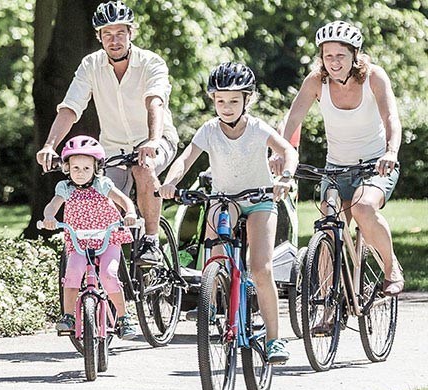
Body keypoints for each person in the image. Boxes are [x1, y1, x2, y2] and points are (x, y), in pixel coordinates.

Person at [158, 62, 298, 364]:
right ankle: (213, 296)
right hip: (225, 200)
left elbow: (289, 151)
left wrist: (285, 177)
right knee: (215, 257)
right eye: (220, 100)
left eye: (234, 100)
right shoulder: (209, 130)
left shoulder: (257, 128)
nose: (227, 107)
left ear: (248, 99)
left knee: (260, 268)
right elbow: (185, 159)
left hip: (260, 199)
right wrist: (169, 183)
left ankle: (274, 339)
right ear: (212, 100)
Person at [36, 1, 179, 266]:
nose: (115, 41)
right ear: (99, 37)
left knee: (143, 168)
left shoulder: (151, 63)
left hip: (157, 140)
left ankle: (150, 241)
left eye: (120, 33)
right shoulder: (91, 65)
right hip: (112, 148)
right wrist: (49, 145)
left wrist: (152, 140)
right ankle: (105, 275)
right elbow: (70, 108)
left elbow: (155, 102)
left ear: (131, 33)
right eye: (107, 34)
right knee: (96, 197)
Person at [272, 20, 404, 296]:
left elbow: (390, 116)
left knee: (363, 208)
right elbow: (293, 118)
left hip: (376, 163)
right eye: (327, 55)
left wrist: (391, 151)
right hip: (336, 168)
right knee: (329, 226)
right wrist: (279, 151)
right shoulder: (316, 81)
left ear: (355, 54)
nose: (333, 62)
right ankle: (327, 305)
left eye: (340, 55)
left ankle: (391, 269)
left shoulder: (374, 77)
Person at [42, 135, 138, 340]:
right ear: (67, 168)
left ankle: (123, 317)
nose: (80, 173)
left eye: (86, 168)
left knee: (109, 275)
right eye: (75, 168)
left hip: (108, 238)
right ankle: (68, 316)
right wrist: (49, 216)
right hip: (78, 241)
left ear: (96, 168)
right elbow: (53, 205)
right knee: (72, 274)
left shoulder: (102, 184)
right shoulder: (65, 188)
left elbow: (124, 201)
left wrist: (130, 213)